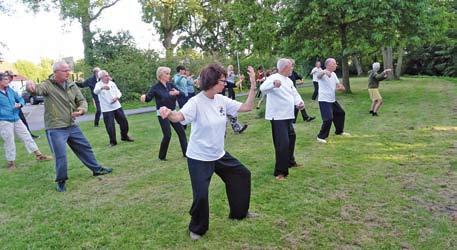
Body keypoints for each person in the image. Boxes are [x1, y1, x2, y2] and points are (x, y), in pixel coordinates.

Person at [158, 64, 257, 240]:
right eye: (222, 80)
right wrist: (168, 112)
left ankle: (240, 212)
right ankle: (197, 228)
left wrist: (253, 85)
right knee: (201, 194)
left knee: (242, 175)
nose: (225, 83)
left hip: (219, 154)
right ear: (211, 81)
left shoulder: (221, 100)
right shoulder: (196, 102)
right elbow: (179, 117)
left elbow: (247, 107)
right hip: (199, 157)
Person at [27, 61, 112, 192]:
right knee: (60, 155)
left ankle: (96, 169)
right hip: (55, 127)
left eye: (68, 70)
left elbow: (82, 100)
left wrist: (82, 110)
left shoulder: (72, 84)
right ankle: (61, 181)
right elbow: (37, 90)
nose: (68, 73)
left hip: (71, 125)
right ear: (56, 73)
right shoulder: (47, 85)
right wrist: (30, 88)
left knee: (85, 147)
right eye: (65, 70)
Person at [259, 58, 305, 181]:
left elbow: (294, 94)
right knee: (282, 144)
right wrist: (273, 84)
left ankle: (290, 161)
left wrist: (299, 102)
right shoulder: (273, 78)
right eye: (291, 67)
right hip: (277, 117)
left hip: (288, 115)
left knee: (291, 138)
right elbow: (263, 88)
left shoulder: (289, 80)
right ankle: (280, 172)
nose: (292, 69)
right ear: (285, 67)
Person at [0, 72, 52, 170]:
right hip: (4, 120)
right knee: (9, 140)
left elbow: (21, 99)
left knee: (27, 136)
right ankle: (11, 163)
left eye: (8, 79)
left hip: (16, 118)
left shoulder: (10, 90)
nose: (8, 81)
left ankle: (39, 155)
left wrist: (20, 104)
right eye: (5, 79)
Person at [140, 66, 187, 160]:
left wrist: (177, 93)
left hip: (173, 112)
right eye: (167, 73)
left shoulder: (171, 85)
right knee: (167, 135)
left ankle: (186, 153)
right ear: (161, 75)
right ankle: (161, 157)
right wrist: (143, 97)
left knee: (181, 132)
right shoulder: (155, 87)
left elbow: (182, 94)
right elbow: (148, 98)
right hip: (162, 114)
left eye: (169, 73)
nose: (169, 75)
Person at [93, 70, 134, 146]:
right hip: (107, 109)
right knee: (110, 126)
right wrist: (102, 88)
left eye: (108, 75)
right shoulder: (98, 85)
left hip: (117, 106)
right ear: (101, 77)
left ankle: (124, 136)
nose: (108, 77)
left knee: (124, 122)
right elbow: (95, 91)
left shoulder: (112, 83)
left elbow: (118, 92)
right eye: (106, 76)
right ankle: (113, 142)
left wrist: (117, 97)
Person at [316, 58, 350, 144]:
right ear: (328, 65)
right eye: (334, 64)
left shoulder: (334, 74)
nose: (335, 65)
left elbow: (339, 85)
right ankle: (320, 136)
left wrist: (341, 88)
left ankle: (339, 131)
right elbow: (318, 76)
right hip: (324, 100)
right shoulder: (322, 73)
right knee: (328, 119)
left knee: (340, 113)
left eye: (335, 64)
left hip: (332, 100)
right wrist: (324, 72)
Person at [4, 71, 40, 138]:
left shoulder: (12, 86)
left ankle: (29, 135)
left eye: (12, 76)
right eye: (10, 76)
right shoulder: (4, 87)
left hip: (16, 108)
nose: (11, 78)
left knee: (23, 121)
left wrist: (20, 104)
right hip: (6, 110)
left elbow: (20, 98)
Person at [289, 59, 315, 124]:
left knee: (299, 103)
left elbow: (298, 76)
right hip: (288, 91)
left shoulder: (293, 72)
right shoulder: (287, 72)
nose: (293, 66)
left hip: (294, 91)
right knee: (297, 104)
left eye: (293, 65)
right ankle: (293, 120)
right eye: (292, 64)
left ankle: (305, 117)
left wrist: (302, 79)